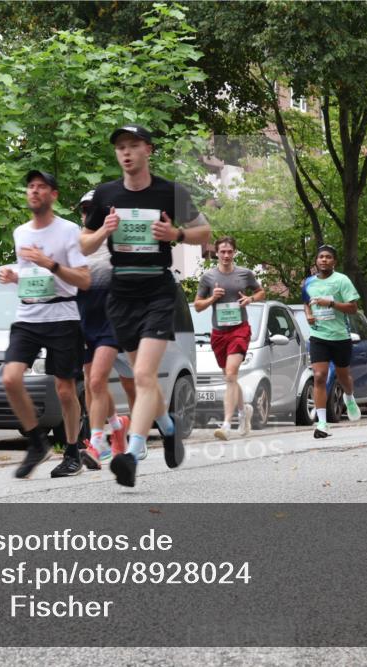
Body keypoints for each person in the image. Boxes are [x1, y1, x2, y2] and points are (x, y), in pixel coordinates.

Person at [82, 124, 211, 487]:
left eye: (133, 146)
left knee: (142, 378)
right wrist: (101, 233)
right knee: (144, 379)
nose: (126, 153)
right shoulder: (105, 195)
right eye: (120, 147)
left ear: (148, 150)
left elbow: (205, 232)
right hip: (121, 294)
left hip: (157, 290)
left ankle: (132, 453)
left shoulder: (170, 192)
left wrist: (177, 235)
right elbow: (83, 246)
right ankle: (168, 428)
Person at [1, 170, 91, 479]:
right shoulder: (20, 233)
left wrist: (48, 262)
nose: (34, 191)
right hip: (28, 316)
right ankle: (37, 441)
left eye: (41, 187)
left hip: (63, 316)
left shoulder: (69, 232)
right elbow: (32, 278)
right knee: (10, 379)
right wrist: (15, 277)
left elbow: (84, 279)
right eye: (30, 187)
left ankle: (71, 450)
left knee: (65, 390)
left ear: (53, 195)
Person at [74, 189, 137, 470]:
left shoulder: (121, 235)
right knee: (91, 381)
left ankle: (98, 442)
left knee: (111, 380)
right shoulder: (78, 236)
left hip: (115, 312)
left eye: (95, 209)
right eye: (86, 210)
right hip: (85, 313)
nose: (90, 214)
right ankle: (116, 426)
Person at [194, 236, 265, 441]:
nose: (226, 255)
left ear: (234, 252)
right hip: (218, 333)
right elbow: (198, 306)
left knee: (231, 373)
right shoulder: (208, 277)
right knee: (230, 378)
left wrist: (250, 298)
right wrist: (212, 298)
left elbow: (261, 292)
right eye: (222, 251)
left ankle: (226, 424)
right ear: (216, 253)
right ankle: (244, 412)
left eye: (229, 251)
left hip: (239, 330)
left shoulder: (244, 274)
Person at [302, 244, 361, 439]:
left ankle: (349, 398)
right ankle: (322, 423)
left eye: (328, 257)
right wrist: (309, 314)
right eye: (321, 257)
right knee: (319, 376)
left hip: (340, 336)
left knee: (344, 377)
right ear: (316, 261)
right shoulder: (309, 282)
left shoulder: (342, 281)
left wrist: (332, 304)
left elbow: (353, 308)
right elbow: (306, 303)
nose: (324, 260)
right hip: (319, 336)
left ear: (333, 261)